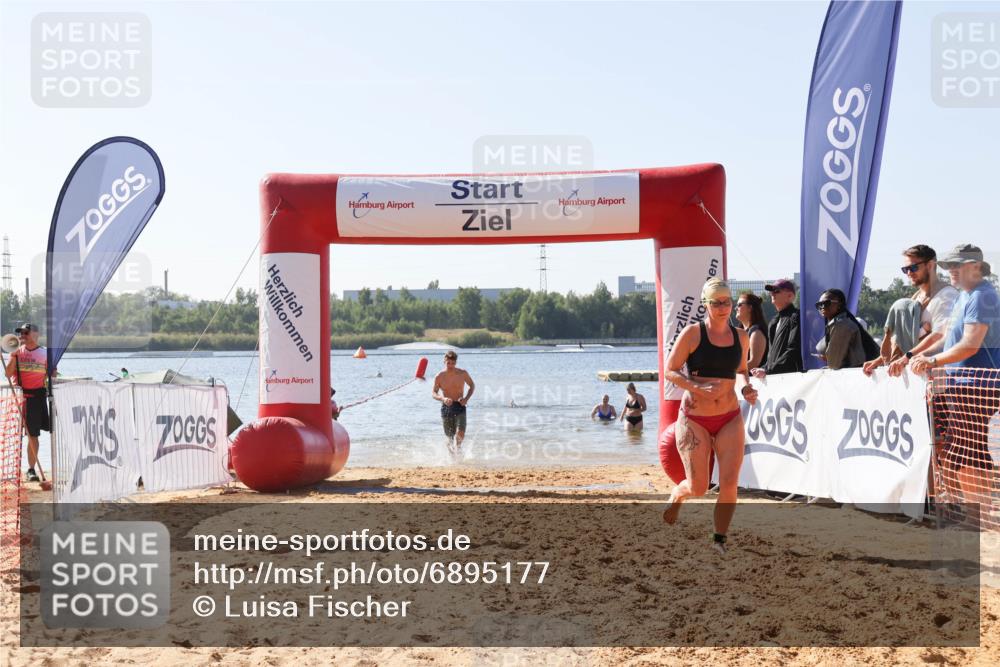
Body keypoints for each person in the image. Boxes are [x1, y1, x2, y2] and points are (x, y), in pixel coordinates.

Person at [663, 278, 758, 554]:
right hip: (695, 419)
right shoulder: (693, 334)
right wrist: (696, 388)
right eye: (716, 302)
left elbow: (741, 372)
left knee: (730, 484)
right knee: (699, 487)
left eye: (727, 302)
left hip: (729, 416)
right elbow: (670, 370)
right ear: (705, 304)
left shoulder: (741, 336)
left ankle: (719, 539)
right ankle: (678, 495)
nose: (722, 307)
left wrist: (747, 388)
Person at [909, 244, 1000, 525]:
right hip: (964, 384)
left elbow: (970, 345)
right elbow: (946, 334)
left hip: (977, 385)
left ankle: (979, 516)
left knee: (968, 450)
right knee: (960, 448)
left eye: (956, 265)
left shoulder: (983, 296)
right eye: (948, 266)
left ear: (975, 267)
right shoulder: (966, 296)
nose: (950, 271)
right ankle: (976, 515)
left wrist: (933, 362)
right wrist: (915, 355)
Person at [867, 245, 959, 376]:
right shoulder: (916, 297)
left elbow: (941, 338)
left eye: (914, 267)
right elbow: (905, 338)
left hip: (937, 376)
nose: (909, 273)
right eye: (905, 269)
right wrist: (881, 360)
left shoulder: (947, 295)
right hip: (914, 373)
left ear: (930, 265)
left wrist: (907, 357)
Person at [4, 324, 50, 483]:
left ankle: (31, 469)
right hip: (19, 398)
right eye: (21, 333)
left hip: (37, 399)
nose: (22, 335)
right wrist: (14, 356)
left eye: (26, 332)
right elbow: (8, 374)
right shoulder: (16, 352)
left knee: (33, 435)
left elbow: (53, 373)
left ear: (35, 334)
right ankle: (13, 470)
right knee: (17, 436)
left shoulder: (45, 353)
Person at [751, 279, 802, 378]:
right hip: (775, 378)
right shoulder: (774, 322)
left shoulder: (796, 316)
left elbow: (793, 350)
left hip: (791, 379)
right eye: (771, 291)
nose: (772, 293)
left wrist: (767, 370)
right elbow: (772, 355)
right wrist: (763, 368)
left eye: (776, 291)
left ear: (790, 296)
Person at [432, 350, 475, 453]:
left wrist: (466, 399)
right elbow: (434, 393)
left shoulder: (462, 373)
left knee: (461, 432)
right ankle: (451, 458)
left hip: (460, 405)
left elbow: (472, 386)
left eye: (453, 363)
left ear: (456, 362)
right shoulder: (439, 376)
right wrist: (443, 399)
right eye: (448, 363)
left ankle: (458, 450)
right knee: (449, 438)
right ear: (444, 361)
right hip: (446, 407)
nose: (450, 365)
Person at [814, 289, 867, 370]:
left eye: (826, 303)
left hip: (850, 376)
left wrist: (829, 357)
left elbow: (834, 364)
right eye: (819, 305)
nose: (822, 307)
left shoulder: (842, 325)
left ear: (839, 305)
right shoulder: (835, 324)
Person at [735, 292, 768, 370]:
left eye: (739, 305)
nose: (735, 308)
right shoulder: (741, 331)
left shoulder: (756, 332)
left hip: (754, 380)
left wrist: (727, 373)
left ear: (750, 308)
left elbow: (754, 363)